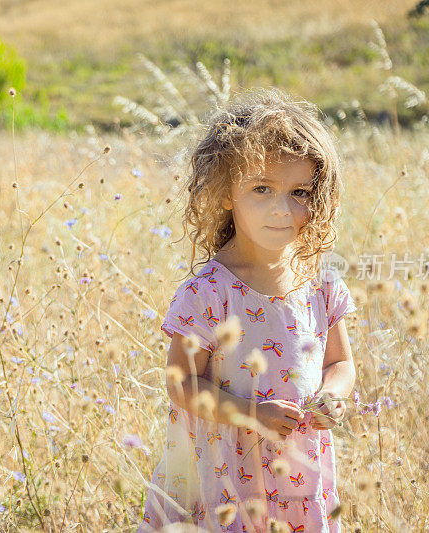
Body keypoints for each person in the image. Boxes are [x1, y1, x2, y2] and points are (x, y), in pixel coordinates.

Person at [138, 87, 357, 533]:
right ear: (225, 194)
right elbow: (181, 385)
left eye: (300, 191)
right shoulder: (209, 293)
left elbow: (340, 363)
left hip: (298, 475)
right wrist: (251, 414)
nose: (282, 209)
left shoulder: (321, 282)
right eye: (262, 189)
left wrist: (332, 395)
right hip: (224, 482)